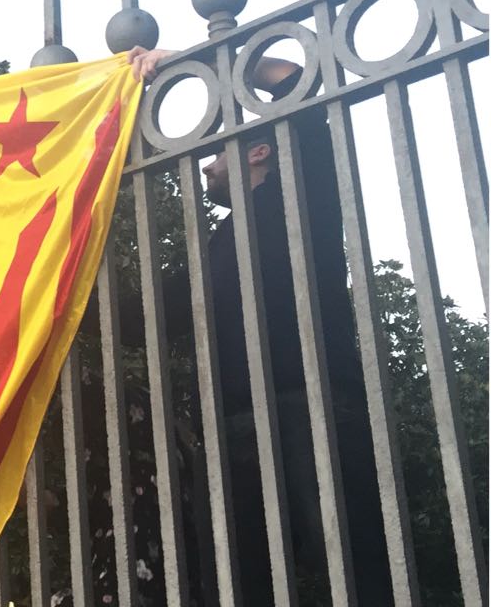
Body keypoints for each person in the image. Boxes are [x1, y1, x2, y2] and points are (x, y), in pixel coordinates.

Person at [128, 46, 391, 606]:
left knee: (355, 566)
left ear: (260, 152)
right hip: (230, 429)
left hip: (309, 408)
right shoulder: (215, 248)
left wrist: (202, 60)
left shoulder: (302, 197)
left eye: (215, 156)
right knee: (236, 583)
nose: (203, 164)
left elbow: (292, 80)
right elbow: (140, 319)